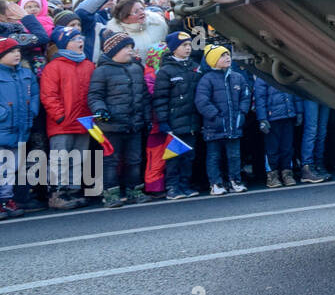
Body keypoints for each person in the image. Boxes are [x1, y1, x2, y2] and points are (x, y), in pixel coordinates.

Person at [88, 32, 149, 208]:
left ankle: (134, 191)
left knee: (134, 160)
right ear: (114, 50)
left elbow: (143, 95)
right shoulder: (102, 71)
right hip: (111, 126)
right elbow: (95, 96)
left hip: (134, 124)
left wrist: (145, 117)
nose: (130, 51)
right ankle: (111, 194)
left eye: (131, 47)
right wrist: (100, 110)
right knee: (111, 161)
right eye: (126, 48)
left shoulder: (136, 68)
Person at [40, 27, 94, 210]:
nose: (81, 42)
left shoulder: (88, 65)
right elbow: (49, 95)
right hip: (62, 124)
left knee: (78, 157)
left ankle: (72, 190)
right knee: (60, 159)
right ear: (64, 44)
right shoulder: (54, 67)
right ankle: (57, 193)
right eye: (75, 39)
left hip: (84, 122)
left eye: (81, 37)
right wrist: (60, 116)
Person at [196, 45, 250, 195]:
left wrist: (242, 113)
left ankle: (235, 181)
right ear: (213, 60)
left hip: (234, 125)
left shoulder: (237, 77)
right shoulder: (207, 79)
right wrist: (216, 117)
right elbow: (202, 101)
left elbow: (245, 96)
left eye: (228, 55)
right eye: (222, 56)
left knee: (234, 155)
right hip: (214, 127)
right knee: (214, 156)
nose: (227, 58)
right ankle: (215, 183)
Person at [152, 32, 202, 198]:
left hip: (191, 119)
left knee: (189, 155)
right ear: (173, 49)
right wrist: (163, 121)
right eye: (183, 46)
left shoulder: (193, 66)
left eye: (189, 45)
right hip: (174, 121)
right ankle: (172, 187)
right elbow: (160, 98)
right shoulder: (166, 71)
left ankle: (185, 185)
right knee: (174, 156)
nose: (188, 48)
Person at [0, 38, 41, 219]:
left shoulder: (26, 73)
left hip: (20, 127)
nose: (17, 54)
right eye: (11, 51)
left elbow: (34, 94)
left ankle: (6, 199)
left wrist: (31, 111)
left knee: (12, 166)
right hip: (3, 126)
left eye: (18, 51)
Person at [254, 75, 303, 187]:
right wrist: (262, 119)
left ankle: (287, 173)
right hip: (272, 119)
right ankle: (272, 175)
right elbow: (259, 99)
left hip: (288, 115)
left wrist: (299, 112)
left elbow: (295, 93)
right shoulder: (263, 77)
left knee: (287, 148)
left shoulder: (284, 72)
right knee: (272, 149)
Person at [94, 0, 170, 63]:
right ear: (124, 17)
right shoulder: (115, 33)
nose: (142, 13)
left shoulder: (158, 23)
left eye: (142, 9)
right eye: (136, 12)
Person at [298, 91, 330, 183]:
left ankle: (318, 164)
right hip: (309, 90)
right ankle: (307, 166)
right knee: (311, 129)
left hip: (325, 91)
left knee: (322, 131)